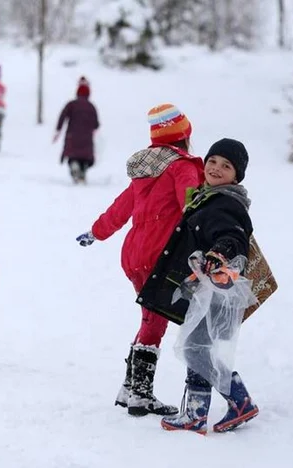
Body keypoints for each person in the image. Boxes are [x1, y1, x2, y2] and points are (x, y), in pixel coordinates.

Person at [76, 103, 204, 416]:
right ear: (183, 136)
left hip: (134, 255)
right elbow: (192, 205)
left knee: (149, 317)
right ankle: (141, 395)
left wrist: (96, 232)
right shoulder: (181, 167)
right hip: (160, 255)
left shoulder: (145, 171)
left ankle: (129, 387)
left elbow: (119, 209)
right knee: (155, 320)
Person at [137, 138, 259, 435]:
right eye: (213, 161)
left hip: (214, 289)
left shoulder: (226, 202)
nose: (216, 168)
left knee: (195, 349)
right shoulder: (209, 197)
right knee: (198, 347)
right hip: (207, 288)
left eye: (226, 166)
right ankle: (202, 412)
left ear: (237, 175)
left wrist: (219, 253)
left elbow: (232, 236)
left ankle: (225, 405)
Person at [53, 76, 100, 184]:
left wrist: (58, 129)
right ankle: (82, 173)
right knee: (85, 158)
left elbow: (62, 116)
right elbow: (96, 124)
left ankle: (74, 165)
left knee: (73, 156)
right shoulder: (91, 106)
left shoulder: (71, 104)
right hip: (86, 139)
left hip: (72, 136)